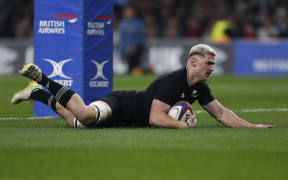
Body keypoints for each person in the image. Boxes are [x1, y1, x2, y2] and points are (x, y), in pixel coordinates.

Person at [11, 44, 275, 129]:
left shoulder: (199, 87)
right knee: (85, 115)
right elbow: (156, 117)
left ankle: (37, 93)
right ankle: (43, 78)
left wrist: (253, 127)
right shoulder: (173, 81)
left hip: (126, 121)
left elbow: (220, 113)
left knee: (75, 123)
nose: (212, 68)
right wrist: (183, 125)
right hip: (121, 103)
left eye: (213, 64)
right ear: (193, 62)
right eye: (208, 63)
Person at [118, 5, 146, 75]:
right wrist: (122, 51)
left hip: (137, 49)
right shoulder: (123, 24)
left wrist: (134, 46)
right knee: (129, 68)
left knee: (135, 67)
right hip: (126, 49)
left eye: (130, 12)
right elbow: (122, 39)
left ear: (133, 13)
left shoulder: (138, 23)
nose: (128, 14)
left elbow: (141, 37)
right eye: (126, 12)